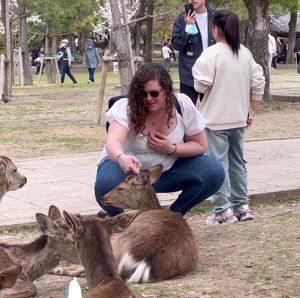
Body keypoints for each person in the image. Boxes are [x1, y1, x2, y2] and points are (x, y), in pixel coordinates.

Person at [94, 62, 225, 217]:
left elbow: (200, 145)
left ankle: (170, 217)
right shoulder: (126, 107)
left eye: (154, 93)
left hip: (168, 170)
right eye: (143, 94)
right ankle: (120, 222)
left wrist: (172, 149)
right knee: (104, 185)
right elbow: (113, 141)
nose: (148, 98)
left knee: (214, 171)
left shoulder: (182, 105)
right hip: (130, 173)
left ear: (167, 91)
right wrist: (121, 158)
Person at [192, 10, 265, 225]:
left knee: (218, 164)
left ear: (216, 29)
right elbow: (258, 81)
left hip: (215, 119)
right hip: (238, 118)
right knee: (238, 162)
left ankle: (223, 210)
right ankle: (241, 206)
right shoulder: (244, 53)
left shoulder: (211, 54)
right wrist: (253, 110)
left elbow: (201, 84)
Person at [171, 0, 216, 105]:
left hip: (213, 71)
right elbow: (177, 45)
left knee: (211, 112)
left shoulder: (216, 16)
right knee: (186, 111)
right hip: (189, 73)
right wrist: (188, 27)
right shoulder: (181, 19)